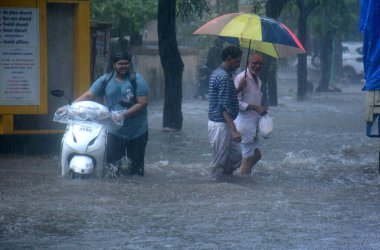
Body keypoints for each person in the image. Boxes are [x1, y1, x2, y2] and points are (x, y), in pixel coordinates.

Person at [75, 52, 149, 176]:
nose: (124, 66)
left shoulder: (137, 79)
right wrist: (71, 106)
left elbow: (143, 103)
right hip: (115, 131)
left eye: (126, 63)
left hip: (138, 131)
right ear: (114, 65)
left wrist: (121, 115)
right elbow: (89, 95)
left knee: (136, 171)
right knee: (112, 170)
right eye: (120, 64)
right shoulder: (105, 80)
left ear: (129, 64)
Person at [208, 45, 247, 181]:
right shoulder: (224, 77)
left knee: (236, 157)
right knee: (219, 163)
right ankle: (216, 188)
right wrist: (234, 130)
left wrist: (238, 89)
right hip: (220, 124)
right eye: (237, 61)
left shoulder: (221, 73)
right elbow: (224, 107)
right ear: (229, 59)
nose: (238, 65)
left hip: (223, 123)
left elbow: (225, 97)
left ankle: (225, 181)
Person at [234, 52, 267, 175]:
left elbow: (253, 99)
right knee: (248, 160)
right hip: (243, 125)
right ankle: (243, 186)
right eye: (255, 63)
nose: (258, 66)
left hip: (253, 126)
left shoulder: (258, 80)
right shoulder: (241, 78)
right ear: (248, 63)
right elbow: (234, 102)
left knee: (256, 155)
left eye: (260, 63)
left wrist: (261, 109)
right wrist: (253, 107)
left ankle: (237, 173)